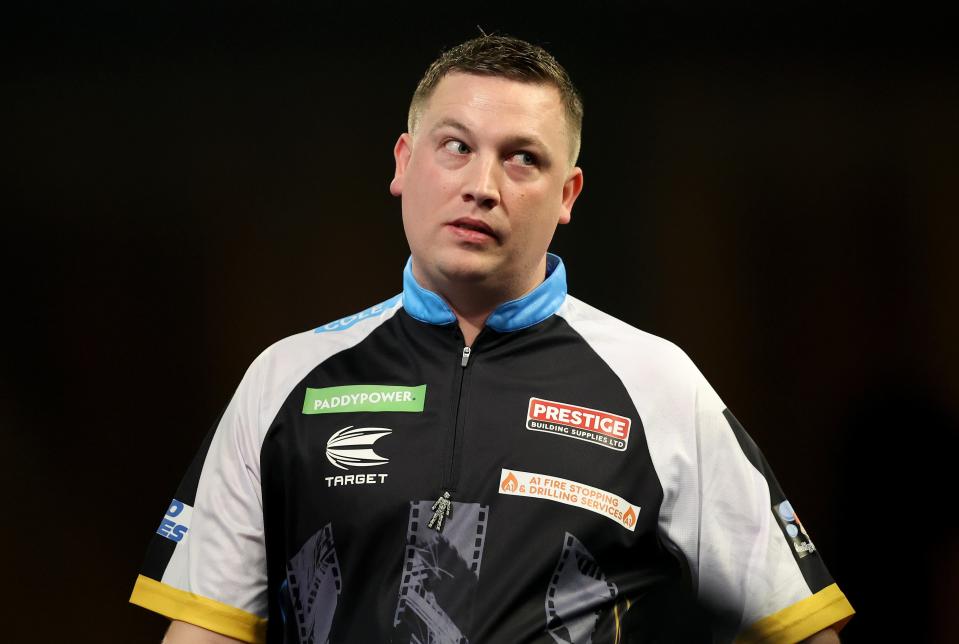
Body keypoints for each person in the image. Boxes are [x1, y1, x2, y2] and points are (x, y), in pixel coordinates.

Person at [131, 35, 854, 643]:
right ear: (402, 163)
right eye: (455, 147)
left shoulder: (658, 383)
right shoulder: (285, 380)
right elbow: (206, 630)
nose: (482, 184)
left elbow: (801, 628)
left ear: (567, 195)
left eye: (522, 158)